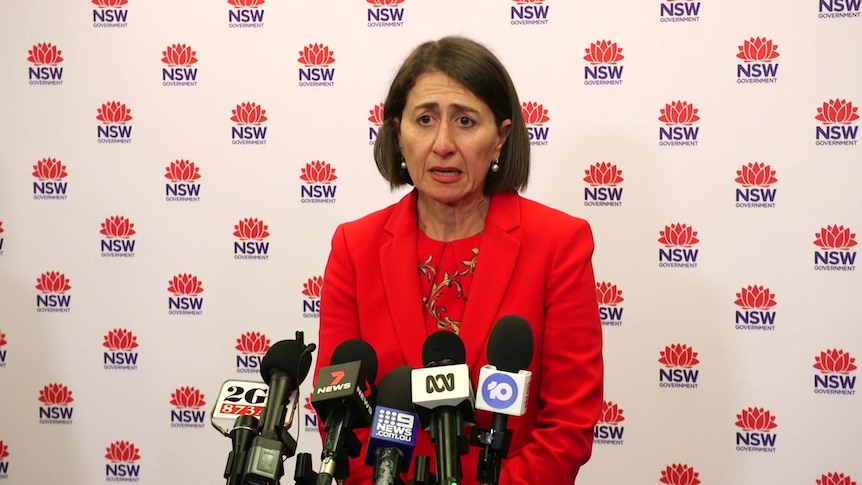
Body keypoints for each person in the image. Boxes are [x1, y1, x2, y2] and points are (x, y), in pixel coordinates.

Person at [316, 36, 603, 485]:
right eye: (425, 119)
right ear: (397, 133)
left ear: (500, 139)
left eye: (465, 121)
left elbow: (566, 428)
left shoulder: (559, 244)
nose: (443, 143)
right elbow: (339, 416)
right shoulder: (355, 247)